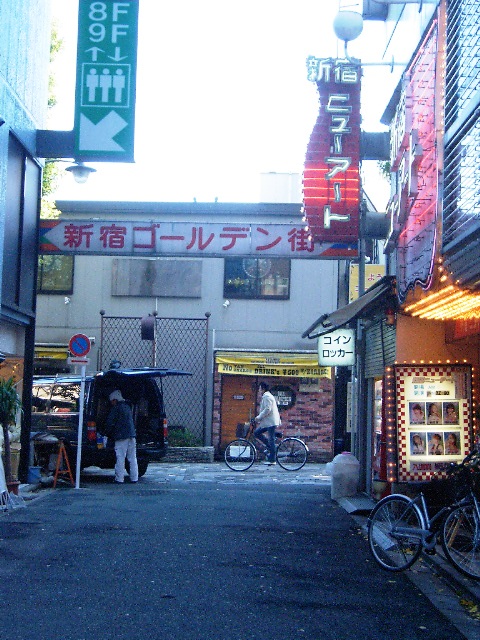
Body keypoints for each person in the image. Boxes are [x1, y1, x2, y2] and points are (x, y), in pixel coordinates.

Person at [105, 389, 138, 483]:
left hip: (121, 436)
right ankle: (134, 478)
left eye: (112, 401)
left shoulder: (116, 409)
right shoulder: (127, 407)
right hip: (131, 435)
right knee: (132, 458)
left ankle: (119, 478)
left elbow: (110, 423)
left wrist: (106, 433)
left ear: (115, 400)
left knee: (120, 457)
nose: (111, 403)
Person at [253, 382, 281, 465]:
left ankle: (272, 460)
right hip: (268, 421)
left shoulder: (267, 396)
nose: (259, 391)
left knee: (271, 439)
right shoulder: (267, 396)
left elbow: (267, 409)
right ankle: (271, 447)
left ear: (263, 389)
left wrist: (259, 417)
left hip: (270, 422)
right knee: (257, 433)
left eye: (259, 389)